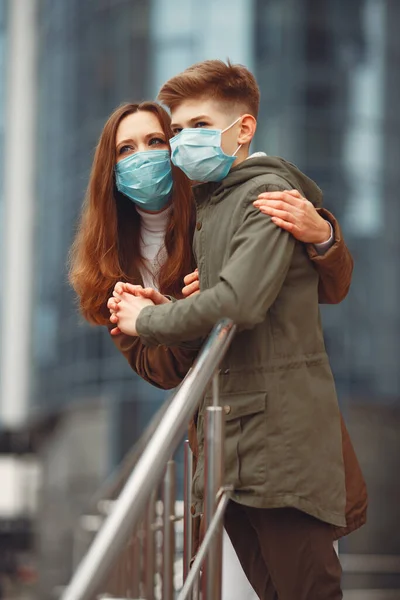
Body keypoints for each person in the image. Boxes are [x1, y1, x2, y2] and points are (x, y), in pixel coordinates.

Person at [69, 98, 366, 600]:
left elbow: (319, 287)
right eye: (126, 149)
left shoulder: (218, 207)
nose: (144, 156)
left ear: (177, 146)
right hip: (217, 444)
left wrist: (325, 235)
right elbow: (163, 372)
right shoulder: (110, 269)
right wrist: (167, 316)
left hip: (280, 432)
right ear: (110, 169)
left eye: (156, 141)